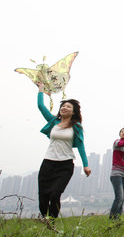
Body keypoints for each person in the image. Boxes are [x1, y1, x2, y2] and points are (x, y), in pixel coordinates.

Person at [36, 83, 91, 222]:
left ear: (73, 112)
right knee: (43, 196)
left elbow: (81, 146)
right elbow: (41, 107)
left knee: (55, 194)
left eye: (68, 106)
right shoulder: (53, 121)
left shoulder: (76, 127)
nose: (64, 108)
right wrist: (40, 89)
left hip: (65, 165)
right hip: (48, 163)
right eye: (63, 106)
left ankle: (52, 222)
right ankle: (45, 218)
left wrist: (86, 165)